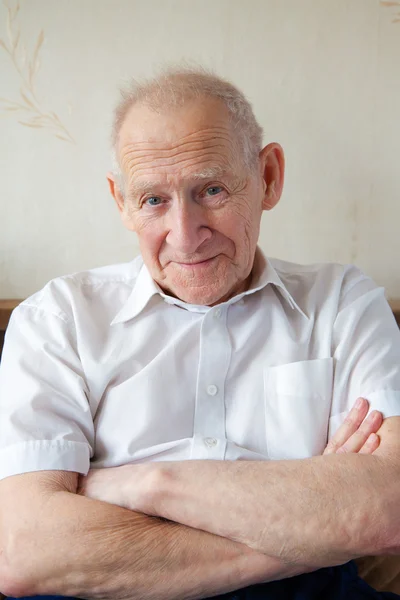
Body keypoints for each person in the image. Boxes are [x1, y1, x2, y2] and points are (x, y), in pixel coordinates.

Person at [0, 67, 399, 600]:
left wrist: (143, 484)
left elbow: (389, 505)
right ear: (121, 200)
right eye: (153, 200)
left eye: (211, 189)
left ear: (269, 177)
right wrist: (317, 519)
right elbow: (26, 550)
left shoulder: (343, 302)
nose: (185, 236)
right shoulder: (57, 318)